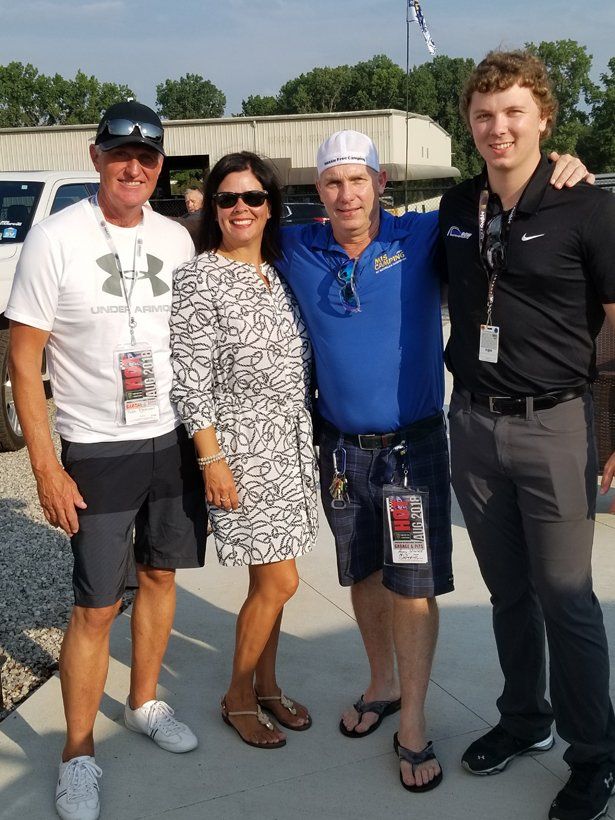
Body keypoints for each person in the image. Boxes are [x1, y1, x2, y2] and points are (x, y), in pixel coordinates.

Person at [275, 129, 590, 793]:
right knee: (361, 572)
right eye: (332, 182)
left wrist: (561, 164)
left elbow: (503, 195)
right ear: (318, 191)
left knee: (410, 584)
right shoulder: (297, 245)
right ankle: (381, 683)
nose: (345, 193)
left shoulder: (419, 236)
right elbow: (217, 226)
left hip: (409, 448)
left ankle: (412, 723)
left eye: (356, 179)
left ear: (379, 182)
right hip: (338, 447)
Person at [6, 101, 207, 820]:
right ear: (97, 157)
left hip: (169, 438)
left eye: (147, 157)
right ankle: (78, 753)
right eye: (121, 153)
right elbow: (24, 363)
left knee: (159, 574)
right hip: (95, 444)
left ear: (159, 166)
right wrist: (45, 467)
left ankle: (146, 701)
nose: (134, 166)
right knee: (94, 606)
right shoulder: (55, 239)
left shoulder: (175, 240)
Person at [440, 50, 615, 820]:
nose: (497, 127)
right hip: (473, 426)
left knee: (565, 597)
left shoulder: (585, 206)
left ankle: (595, 756)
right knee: (507, 591)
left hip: (556, 426)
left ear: (543, 117)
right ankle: (524, 719)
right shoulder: (454, 207)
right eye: (483, 115)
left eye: (513, 112)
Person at [170, 151, 318, 749]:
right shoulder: (201, 276)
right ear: (212, 206)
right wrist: (212, 460)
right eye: (227, 198)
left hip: (291, 449)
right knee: (280, 583)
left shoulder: (279, 272)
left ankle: (267, 684)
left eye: (252, 198)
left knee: (271, 579)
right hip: (241, 453)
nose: (240, 209)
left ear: (270, 207)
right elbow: (189, 376)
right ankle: (236, 695)